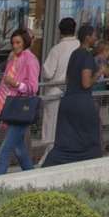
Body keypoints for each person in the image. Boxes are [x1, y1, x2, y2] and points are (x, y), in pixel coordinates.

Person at [0, 28, 39, 175]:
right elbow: (1, 88)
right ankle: (31, 175)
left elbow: (33, 88)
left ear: (25, 42)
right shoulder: (13, 60)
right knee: (19, 150)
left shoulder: (30, 60)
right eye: (13, 43)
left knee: (4, 151)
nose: (15, 45)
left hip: (17, 111)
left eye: (18, 42)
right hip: (9, 111)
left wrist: (16, 84)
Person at [41, 25, 101, 166]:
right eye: (94, 36)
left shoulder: (74, 54)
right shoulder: (87, 56)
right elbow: (86, 83)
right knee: (89, 140)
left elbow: (68, 79)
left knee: (65, 140)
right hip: (82, 102)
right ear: (87, 37)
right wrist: (97, 75)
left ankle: (52, 164)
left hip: (68, 100)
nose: (96, 38)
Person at [40, 17, 80, 154]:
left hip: (55, 92)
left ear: (59, 31)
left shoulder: (56, 49)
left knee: (52, 128)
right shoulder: (80, 46)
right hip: (75, 92)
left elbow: (48, 72)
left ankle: (50, 156)